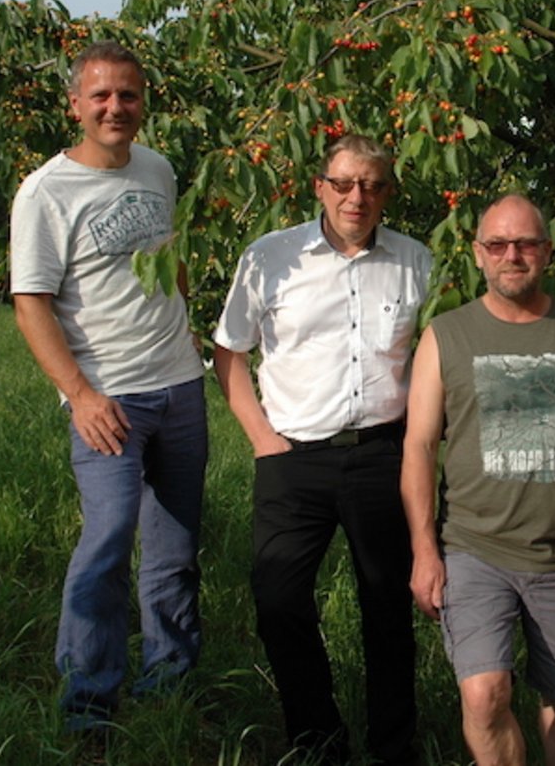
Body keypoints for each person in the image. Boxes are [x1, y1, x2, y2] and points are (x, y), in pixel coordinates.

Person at [401, 194, 555, 766]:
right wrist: (423, 548)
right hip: (474, 549)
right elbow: (417, 446)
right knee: (485, 694)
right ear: (478, 254)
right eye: (498, 245)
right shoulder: (445, 335)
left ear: (547, 252)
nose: (512, 255)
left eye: (526, 244)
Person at [213, 134, 431, 766]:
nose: (356, 197)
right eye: (343, 183)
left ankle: (393, 747)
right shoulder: (270, 257)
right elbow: (230, 351)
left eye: (371, 185)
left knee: (388, 607)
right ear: (319, 187)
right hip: (293, 457)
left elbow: (431, 361)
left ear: (387, 192)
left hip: (383, 455)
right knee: (279, 599)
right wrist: (264, 442)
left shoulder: (418, 262)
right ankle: (318, 739)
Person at [10, 41, 209, 731]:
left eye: (127, 94)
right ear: (75, 104)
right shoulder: (46, 191)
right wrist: (80, 393)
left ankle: (169, 683)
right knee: (109, 535)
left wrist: (191, 327)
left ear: (143, 100)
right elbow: (31, 300)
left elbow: (169, 253)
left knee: (176, 543)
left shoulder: (158, 168)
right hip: (109, 396)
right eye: (100, 95)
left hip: (180, 386)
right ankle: (89, 703)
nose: (115, 107)